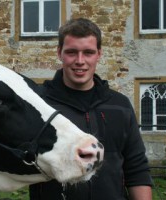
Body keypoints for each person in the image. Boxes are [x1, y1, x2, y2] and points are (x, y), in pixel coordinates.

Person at [29, 18, 153, 200]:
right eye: (71, 52)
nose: (80, 61)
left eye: (88, 52)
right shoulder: (38, 104)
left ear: (99, 54)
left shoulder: (120, 106)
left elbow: (136, 169)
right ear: (59, 53)